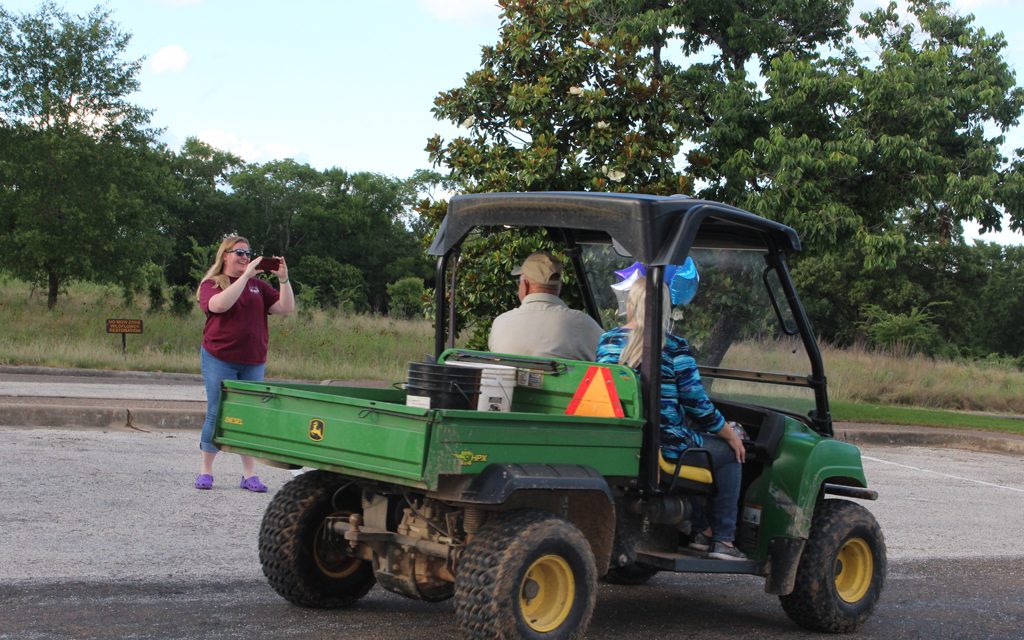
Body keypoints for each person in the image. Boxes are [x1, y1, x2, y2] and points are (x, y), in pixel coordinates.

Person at [595, 277, 747, 561]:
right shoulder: (674, 346)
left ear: (630, 305)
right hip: (662, 444)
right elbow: (698, 406)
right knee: (727, 452)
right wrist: (729, 433)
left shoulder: (607, 341)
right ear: (665, 309)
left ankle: (701, 529)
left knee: (694, 441)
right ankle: (723, 540)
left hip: (624, 439)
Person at [193, 235, 295, 492]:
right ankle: (206, 471)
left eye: (248, 254)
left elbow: (285, 308)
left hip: (252, 360)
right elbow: (218, 306)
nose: (245, 257)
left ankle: (249, 475)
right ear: (225, 255)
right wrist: (245, 277)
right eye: (239, 253)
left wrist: (283, 279)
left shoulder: (259, 287)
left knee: (248, 415)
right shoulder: (212, 284)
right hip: (219, 357)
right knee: (217, 411)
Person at [488, 251, 604, 361]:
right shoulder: (581, 323)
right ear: (559, 287)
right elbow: (612, 358)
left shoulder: (500, 323)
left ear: (525, 285)